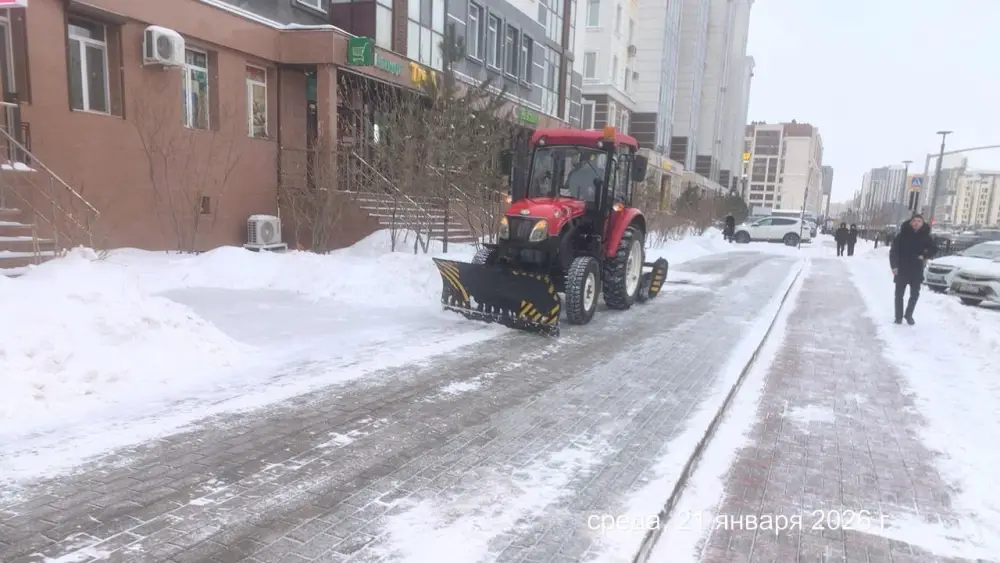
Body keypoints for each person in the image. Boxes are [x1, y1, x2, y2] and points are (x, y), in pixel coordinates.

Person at [889, 213, 937, 325]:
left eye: (919, 221)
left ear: (922, 223)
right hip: (902, 268)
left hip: (916, 269)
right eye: (914, 221)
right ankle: (898, 317)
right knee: (899, 294)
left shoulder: (926, 237)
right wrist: (894, 266)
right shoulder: (902, 236)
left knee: (915, 294)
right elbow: (894, 252)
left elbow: (933, 249)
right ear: (910, 222)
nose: (916, 223)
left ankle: (909, 314)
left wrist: (925, 255)